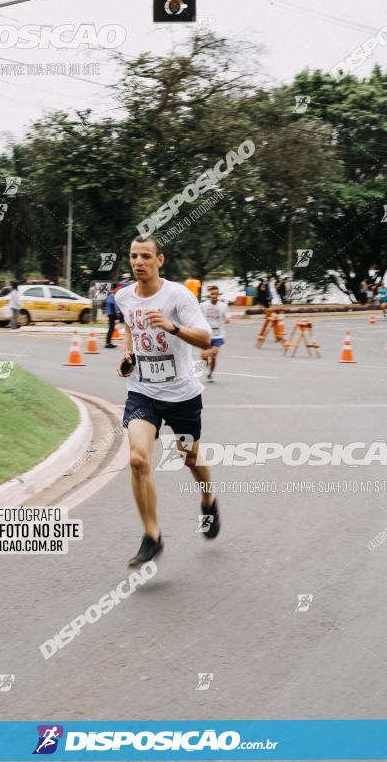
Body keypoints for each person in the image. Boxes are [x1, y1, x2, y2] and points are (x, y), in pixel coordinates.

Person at [115, 235, 219, 568]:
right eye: (133, 256)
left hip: (182, 394)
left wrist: (172, 327)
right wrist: (128, 354)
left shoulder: (178, 296)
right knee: (137, 460)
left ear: (160, 260)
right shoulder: (124, 297)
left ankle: (208, 498)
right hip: (142, 391)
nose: (138, 262)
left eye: (146, 256)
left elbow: (205, 337)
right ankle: (152, 536)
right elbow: (131, 326)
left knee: (189, 458)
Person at [200, 285, 230, 381]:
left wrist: (227, 319)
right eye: (212, 294)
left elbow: (227, 316)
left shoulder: (223, 306)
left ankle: (210, 374)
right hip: (205, 334)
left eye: (216, 294)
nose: (214, 296)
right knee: (204, 356)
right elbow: (197, 317)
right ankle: (206, 363)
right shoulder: (203, 305)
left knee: (214, 354)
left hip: (218, 335)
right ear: (210, 294)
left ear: (218, 294)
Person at [104, 283, 118, 348]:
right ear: (114, 288)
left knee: (111, 328)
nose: (117, 290)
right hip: (111, 314)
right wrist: (115, 314)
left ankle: (109, 342)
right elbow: (112, 305)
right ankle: (108, 343)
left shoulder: (110, 294)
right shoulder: (111, 295)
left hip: (110, 313)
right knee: (111, 328)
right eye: (117, 289)